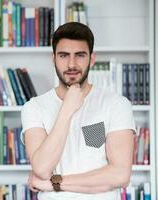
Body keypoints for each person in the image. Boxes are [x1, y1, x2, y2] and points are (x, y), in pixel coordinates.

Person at [21, 22, 135, 200]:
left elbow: (120, 175)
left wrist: (55, 183)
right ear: (53, 59)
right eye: (64, 55)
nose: (72, 64)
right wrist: (67, 109)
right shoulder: (34, 107)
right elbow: (42, 168)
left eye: (80, 55)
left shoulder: (117, 105)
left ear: (92, 58)